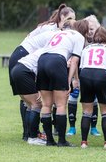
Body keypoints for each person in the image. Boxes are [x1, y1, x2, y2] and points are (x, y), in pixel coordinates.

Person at [8, 4, 75, 140]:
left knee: (30, 100)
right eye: (69, 18)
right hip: (23, 57)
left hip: (22, 58)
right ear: (61, 17)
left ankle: (30, 133)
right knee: (34, 99)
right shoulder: (53, 30)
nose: (72, 22)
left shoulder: (54, 29)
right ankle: (30, 134)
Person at [36, 19, 87, 147]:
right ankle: (62, 141)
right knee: (60, 105)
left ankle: (49, 140)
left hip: (42, 61)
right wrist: (69, 81)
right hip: (57, 61)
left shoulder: (55, 34)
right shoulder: (78, 36)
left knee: (46, 104)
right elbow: (74, 61)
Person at [10, 31, 57, 146]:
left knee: (30, 105)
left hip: (17, 69)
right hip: (24, 72)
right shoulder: (49, 52)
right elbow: (40, 71)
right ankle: (33, 137)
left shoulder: (44, 49)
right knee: (36, 104)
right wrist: (41, 89)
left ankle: (29, 135)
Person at [79, 26, 106, 149]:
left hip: (85, 74)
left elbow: (81, 67)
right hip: (102, 75)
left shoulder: (86, 48)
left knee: (86, 111)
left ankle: (84, 142)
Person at [66, 15, 102, 137]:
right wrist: (75, 79)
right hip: (78, 74)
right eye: (88, 29)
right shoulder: (79, 41)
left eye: (93, 29)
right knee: (74, 96)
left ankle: (93, 127)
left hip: (93, 76)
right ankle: (71, 127)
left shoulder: (100, 42)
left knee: (94, 99)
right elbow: (74, 61)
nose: (90, 32)